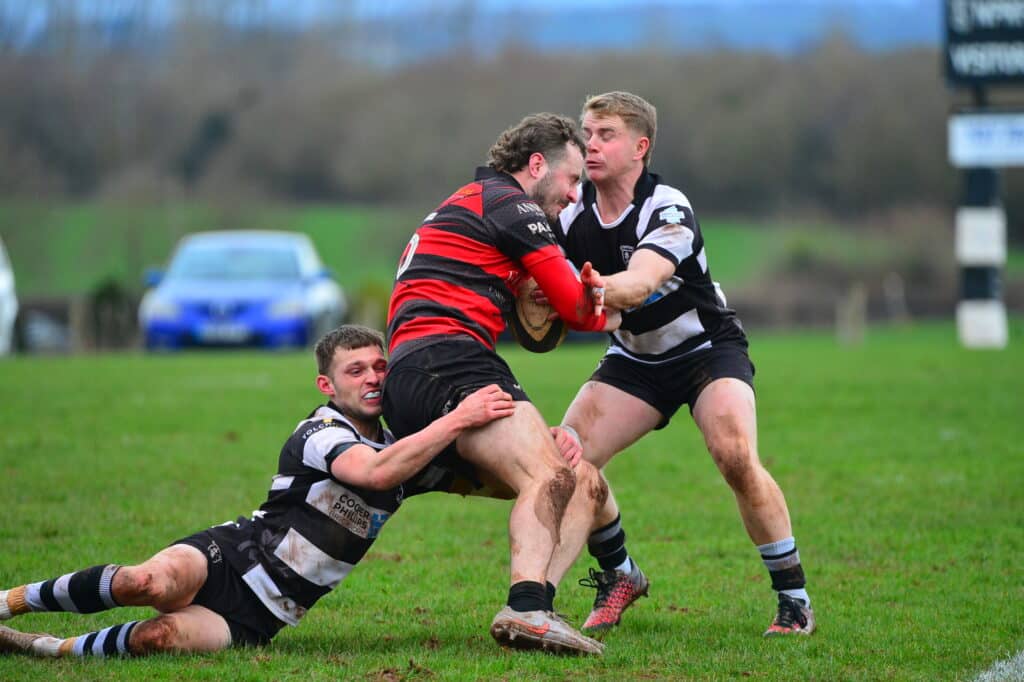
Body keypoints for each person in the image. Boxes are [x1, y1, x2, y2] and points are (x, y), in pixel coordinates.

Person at [0, 325, 518, 658]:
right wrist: (458, 418)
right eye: (356, 370)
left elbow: (494, 483)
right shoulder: (321, 432)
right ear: (327, 386)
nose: (373, 379)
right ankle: (10, 602)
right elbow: (375, 474)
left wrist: (538, 457)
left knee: (156, 637)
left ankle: (43, 648)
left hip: (263, 615)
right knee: (146, 583)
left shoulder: (405, 454)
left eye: (381, 367)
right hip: (229, 557)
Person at [552, 91, 815, 638]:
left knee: (734, 455)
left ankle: (794, 600)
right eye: (587, 133)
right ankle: (620, 573)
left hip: (705, 350)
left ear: (640, 148)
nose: (590, 145)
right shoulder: (571, 211)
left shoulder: (667, 206)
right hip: (634, 359)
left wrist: (590, 291)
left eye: (606, 135)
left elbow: (640, 282)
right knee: (566, 462)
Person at [384, 112, 620, 656]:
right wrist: (608, 301)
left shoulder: (468, 203)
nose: (574, 194)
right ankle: (526, 608)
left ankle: (539, 606)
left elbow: (530, 321)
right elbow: (575, 309)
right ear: (536, 165)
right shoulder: (510, 204)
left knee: (578, 479)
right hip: (450, 362)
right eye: (572, 179)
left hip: (416, 376)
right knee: (548, 474)